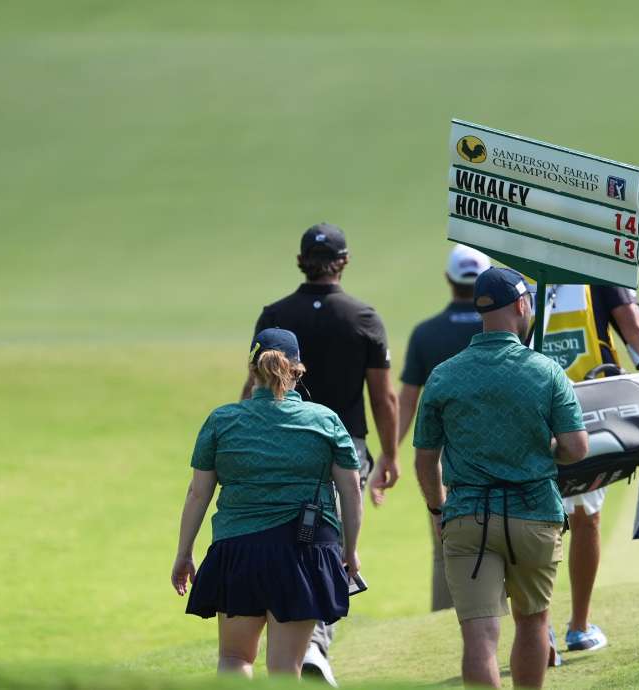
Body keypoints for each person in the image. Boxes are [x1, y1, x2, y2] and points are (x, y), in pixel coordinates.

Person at [413, 267, 589, 689]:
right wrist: (543, 448)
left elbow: (424, 459)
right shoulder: (546, 371)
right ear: (522, 305)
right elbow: (577, 448)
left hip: (468, 517)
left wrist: (438, 508)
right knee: (532, 623)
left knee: (479, 635)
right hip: (534, 515)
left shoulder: (443, 374)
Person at [242, 222, 399, 683]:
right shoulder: (363, 317)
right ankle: (311, 646)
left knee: (282, 534)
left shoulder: (274, 314)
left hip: (276, 437)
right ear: (344, 262)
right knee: (325, 542)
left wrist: (241, 433)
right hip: (343, 445)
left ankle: (299, 643)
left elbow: (253, 385)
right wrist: (390, 454)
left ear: (300, 262)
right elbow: (383, 397)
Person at [173, 328, 363, 679]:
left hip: (238, 551)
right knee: (284, 669)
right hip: (303, 555)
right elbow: (350, 491)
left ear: (252, 368)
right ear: (297, 369)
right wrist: (350, 551)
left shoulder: (222, 420)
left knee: (234, 659)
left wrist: (184, 553)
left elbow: (199, 493)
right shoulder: (325, 420)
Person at [529, 281, 639, 654]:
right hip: (593, 411)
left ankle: (543, 631)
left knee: (539, 521)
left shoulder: (520, 271)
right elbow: (633, 326)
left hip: (533, 410)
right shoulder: (597, 270)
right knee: (585, 517)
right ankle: (577, 627)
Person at [388, 243, 491, 612]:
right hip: (501, 448)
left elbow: (408, 400)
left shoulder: (426, 333)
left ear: (449, 279)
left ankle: (447, 621)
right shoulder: (502, 328)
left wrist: (389, 452)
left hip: (446, 458)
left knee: (446, 539)